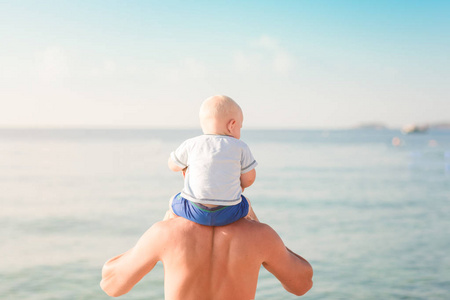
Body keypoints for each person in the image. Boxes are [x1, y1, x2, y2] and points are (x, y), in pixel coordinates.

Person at [100, 213, 313, 299]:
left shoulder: (165, 233)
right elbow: (302, 283)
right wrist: (260, 229)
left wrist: (159, 229)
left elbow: (111, 285)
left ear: (186, 176)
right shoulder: (260, 235)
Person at [168, 95, 258, 226]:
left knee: (173, 201)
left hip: (195, 211)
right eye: (240, 127)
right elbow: (249, 179)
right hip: (229, 212)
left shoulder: (191, 144)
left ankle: (167, 231)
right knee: (247, 203)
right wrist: (240, 185)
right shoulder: (240, 146)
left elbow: (172, 165)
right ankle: (258, 227)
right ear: (232, 125)